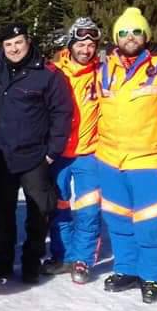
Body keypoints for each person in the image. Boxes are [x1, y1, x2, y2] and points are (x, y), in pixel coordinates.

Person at [96, 7, 157, 303]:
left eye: (135, 31)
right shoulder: (105, 67)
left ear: (145, 34)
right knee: (118, 221)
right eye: (123, 32)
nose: (129, 37)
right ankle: (127, 269)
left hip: (152, 160)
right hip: (109, 159)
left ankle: (152, 277)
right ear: (115, 37)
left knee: (151, 224)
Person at [0, 23, 73, 284]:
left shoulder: (48, 74)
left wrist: (52, 152)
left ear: (28, 41)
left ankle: (31, 263)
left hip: (35, 156)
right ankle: (2, 263)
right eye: (8, 44)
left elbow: (62, 114)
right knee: (2, 213)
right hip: (2, 154)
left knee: (39, 213)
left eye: (18, 42)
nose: (14, 48)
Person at [42, 17, 103, 283]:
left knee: (89, 210)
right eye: (81, 43)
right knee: (59, 207)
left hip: (90, 154)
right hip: (59, 154)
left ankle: (82, 259)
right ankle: (63, 255)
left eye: (91, 45)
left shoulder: (104, 72)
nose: (86, 49)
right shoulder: (54, 71)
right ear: (71, 44)